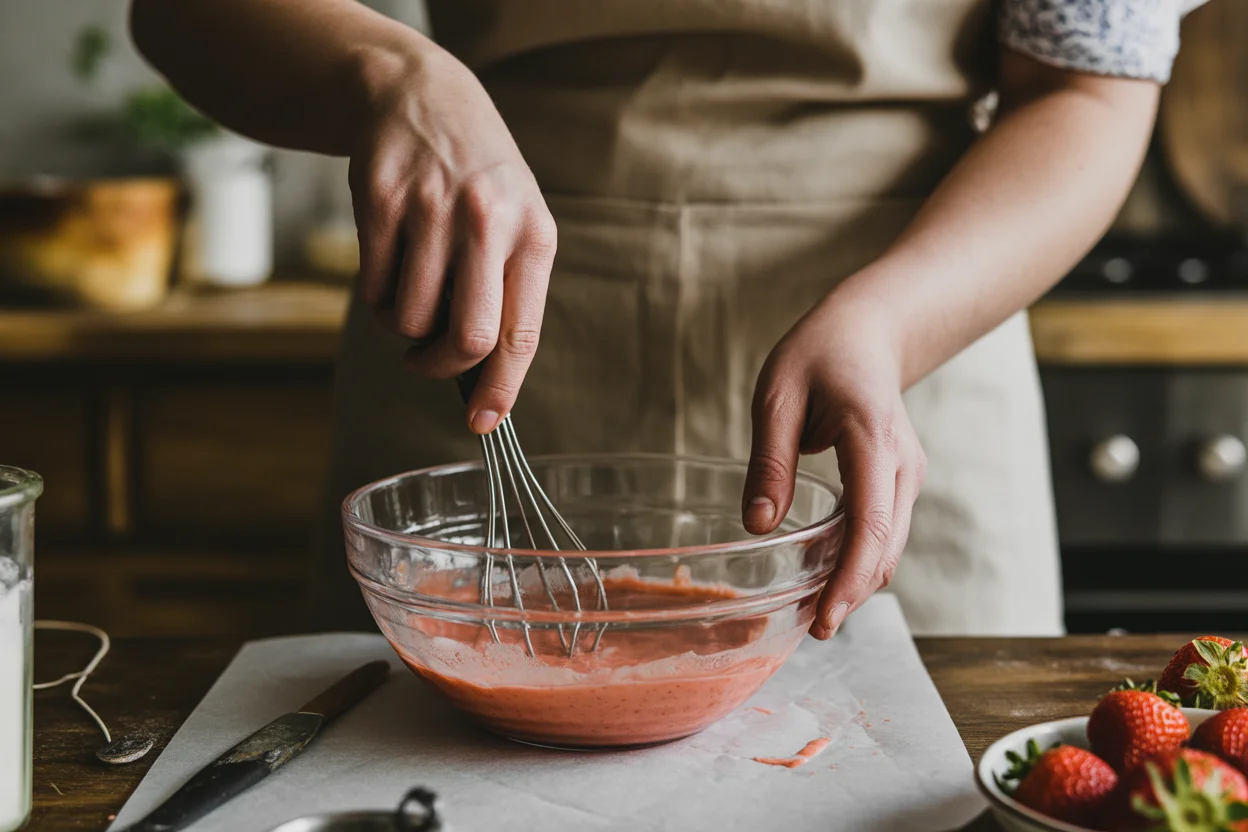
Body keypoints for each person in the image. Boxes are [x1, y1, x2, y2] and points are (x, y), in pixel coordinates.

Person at [130, 0, 1202, 638]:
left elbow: (1089, 88)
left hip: (907, 336)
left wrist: (892, 323)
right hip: (487, 323)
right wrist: (390, 72)